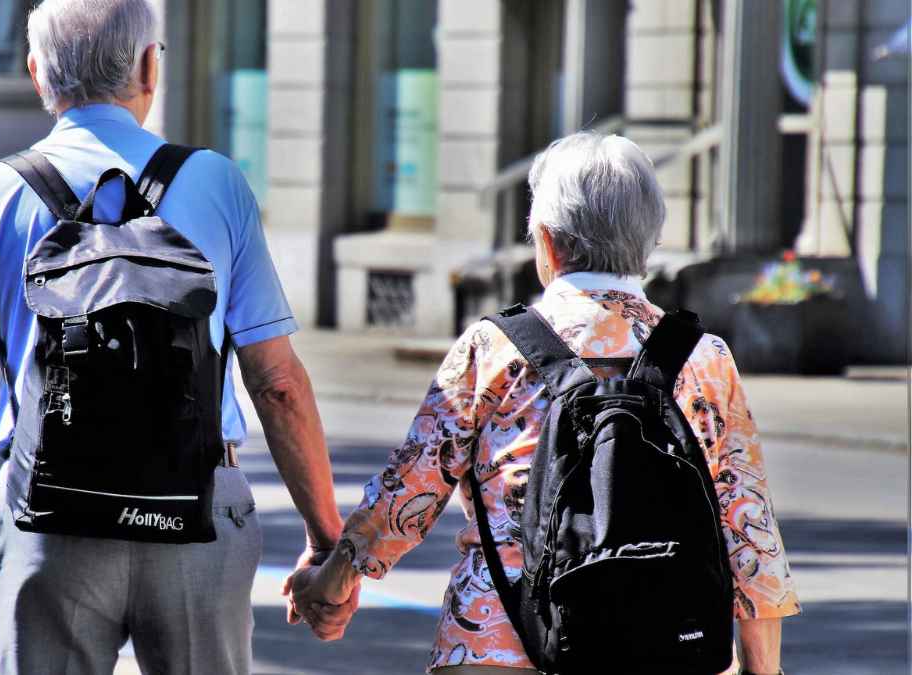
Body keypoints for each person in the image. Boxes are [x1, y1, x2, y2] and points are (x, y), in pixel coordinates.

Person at [0, 1, 353, 672]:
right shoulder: (217, 184)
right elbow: (277, 382)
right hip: (197, 513)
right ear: (148, 66)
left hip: (48, 521)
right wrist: (325, 539)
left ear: (35, 73)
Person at [287, 132, 800, 675]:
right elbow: (749, 529)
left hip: (498, 639)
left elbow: (411, 489)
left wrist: (333, 579)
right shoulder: (704, 358)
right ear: (648, 242)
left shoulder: (494, 347)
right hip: (669, 644)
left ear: (548, 244)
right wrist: (761, 669)